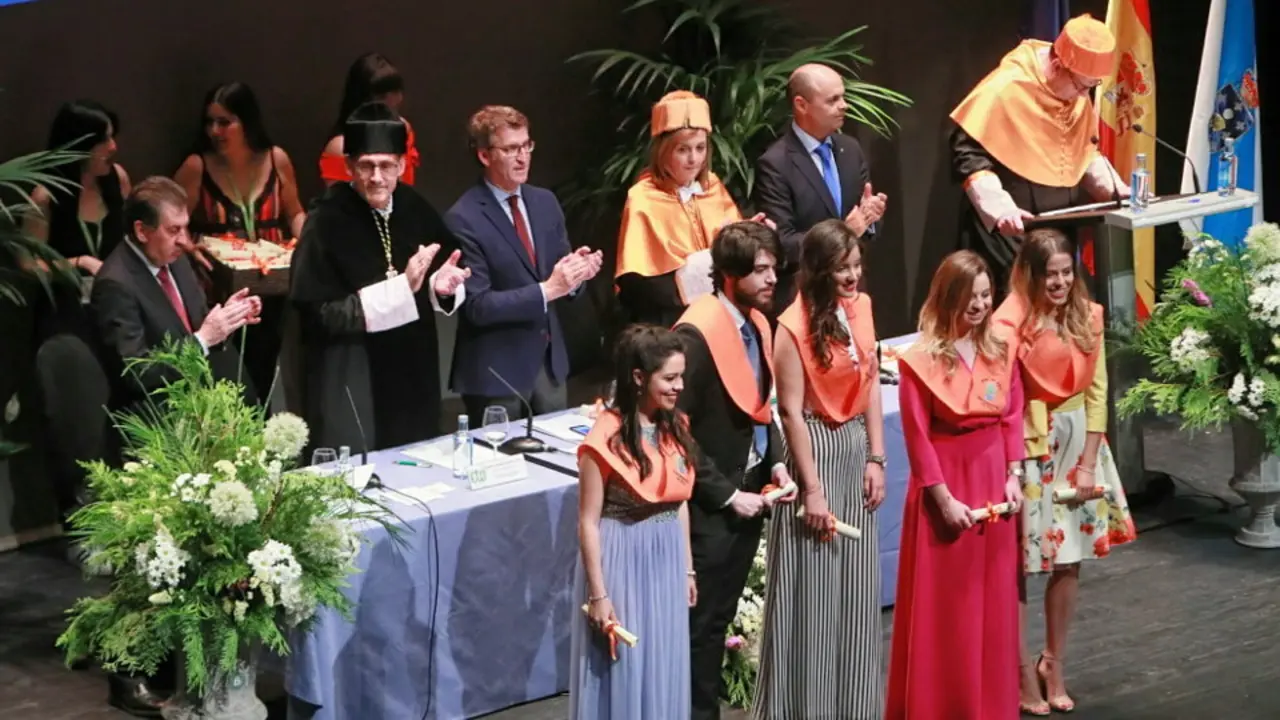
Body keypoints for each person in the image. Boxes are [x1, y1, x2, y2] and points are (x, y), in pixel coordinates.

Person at [90, 176, 262, 717]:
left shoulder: (177, 265)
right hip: (148, 429)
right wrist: (203, 340)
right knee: (148, 563)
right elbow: (136, 373)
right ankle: (127, 673)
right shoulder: (116, 283)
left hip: (193, 420)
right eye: (174, 230)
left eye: (186, 228)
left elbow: (191, 328)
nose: (184, 240)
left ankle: (176, 657)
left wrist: (226, 321)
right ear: (141, 231)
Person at [992, 228, 1137, 715]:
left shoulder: (1087, 316)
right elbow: (1005, 398)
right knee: (1020, 567)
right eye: (1049, 274)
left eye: (1066, 273)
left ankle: (1052, 661)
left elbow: (1097, 391)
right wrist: (1014, 460)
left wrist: (1089, 460)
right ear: (1030, 276)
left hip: (1079, 444)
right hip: (1029, 447)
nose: (1059, 283)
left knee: (1068, 559)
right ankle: (1017, 675)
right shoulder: (1009, 323)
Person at [751, 219, 886, 719]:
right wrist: (812, 490)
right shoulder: (792, 328)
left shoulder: (863, 308)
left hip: (854, 452)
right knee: (814, 600)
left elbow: (870, 379)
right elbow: (788, 413)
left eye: (856, 266)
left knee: (854, 596)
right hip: (816, 456)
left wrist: (876, 456)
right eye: (841, 269)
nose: (852, 278)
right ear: (817, 271)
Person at [885, 250, 1025, 720]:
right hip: (945, 485)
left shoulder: (1001, 349)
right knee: (949, 611)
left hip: (993, 483)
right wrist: (942, 498)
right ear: (949, 297)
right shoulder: (919, 360)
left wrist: (1014, 475)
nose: (981, 305)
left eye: (987, 295)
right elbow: (918, 436)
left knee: (995, 606)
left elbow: (1012, 416)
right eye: (971, 296)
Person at [290, 101, 470, 452]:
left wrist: (440, 288)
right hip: (354, 371)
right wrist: (403, 288)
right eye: (366, 166)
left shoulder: (414, 206)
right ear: (348, 166)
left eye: (386, 166)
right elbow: (319, 313)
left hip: (411, 369)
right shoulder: (326, 221)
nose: (376, 177)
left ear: (402, 165)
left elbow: (443, 272)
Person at [674, 220, 793, 720]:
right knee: (701, 630)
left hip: (752, 494)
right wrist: (725, 495)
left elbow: (764, 407)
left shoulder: (759, 323)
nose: (771, 279)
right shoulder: (695, 335)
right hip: (710, 506)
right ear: (728, 275)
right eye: (759, 270)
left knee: (719, 621)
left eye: (773, 268)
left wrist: (780, 462)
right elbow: (677, 432)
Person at [950, 13, 1129, 297]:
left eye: (1091, 87)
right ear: (1058, 66)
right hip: (1011, 230)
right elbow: (967, 151)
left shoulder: (1076, 94)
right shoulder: (1008, 86)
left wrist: (1117, 191)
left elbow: (1083, 150)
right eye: (1082, 86)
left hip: (1059, 229)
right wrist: (998, 207)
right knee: (1019, 305)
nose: (1084, 95)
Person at [571, 324, 697, 720]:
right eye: (669, 378)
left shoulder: (673, 425)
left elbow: (679, 502)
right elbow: (588, 522)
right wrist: (599, 595)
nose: (678, 387)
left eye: (681, 377)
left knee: (664, 660)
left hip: (666, 559)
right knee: (628, 667)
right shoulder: (603, 440)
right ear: (639, 378)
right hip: (623, 559)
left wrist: (688, 568)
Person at [447, 105, 603, 421]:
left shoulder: (545, 202)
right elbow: (477, 305)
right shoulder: (463, 217)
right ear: (484, 155)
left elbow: (561, 274)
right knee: (500, 465)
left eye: (526, 145)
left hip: (549, 366)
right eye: (510, 149)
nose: (523, 157)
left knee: (553, 462)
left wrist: (577, 273)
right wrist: (547, 290)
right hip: (496, 373)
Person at [174, 81, 307, 406]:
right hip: (219, 293)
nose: (215, 130)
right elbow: (171, 223)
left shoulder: (276, 160)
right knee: (228, 381)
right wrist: (189, 245)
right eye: (210, 122)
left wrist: (306, 244)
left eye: (224, 122)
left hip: (274, 288)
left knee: (263, 374)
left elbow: (295, 212)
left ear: (246, 121)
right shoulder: (197, 166)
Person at [754, 63, 887, 310]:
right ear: (801, 105)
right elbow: (781, 243)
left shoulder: (850, 149)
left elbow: (865, 227)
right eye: (833, 100)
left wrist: (871, 217)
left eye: (843, 97)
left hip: (854, 294)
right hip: (807, 300)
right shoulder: (775, 164)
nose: (844, 105)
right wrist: (842, 233)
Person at [615, 90, 743, 327]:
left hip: (721, 315)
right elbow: (636, 283)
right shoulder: (642, 197)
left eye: (700, 148)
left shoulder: (713, 186)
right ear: (663, 152)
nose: (693, 159)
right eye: (682, 150)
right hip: (670, 320)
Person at [24, 100, 132, 341]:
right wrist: (80, 263)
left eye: (113, 137)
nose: (113, 147)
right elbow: (28, 264)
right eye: (104, 140)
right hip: (64, 310)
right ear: (80, 145)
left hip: (113, 304)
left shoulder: (118, 179)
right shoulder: (46, 196)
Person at [320, 52, 420, 187]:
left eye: (396, 91)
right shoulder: (340, 146)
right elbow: (338, 203)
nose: (392, 100)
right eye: (381, 95)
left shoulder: (403, 128)